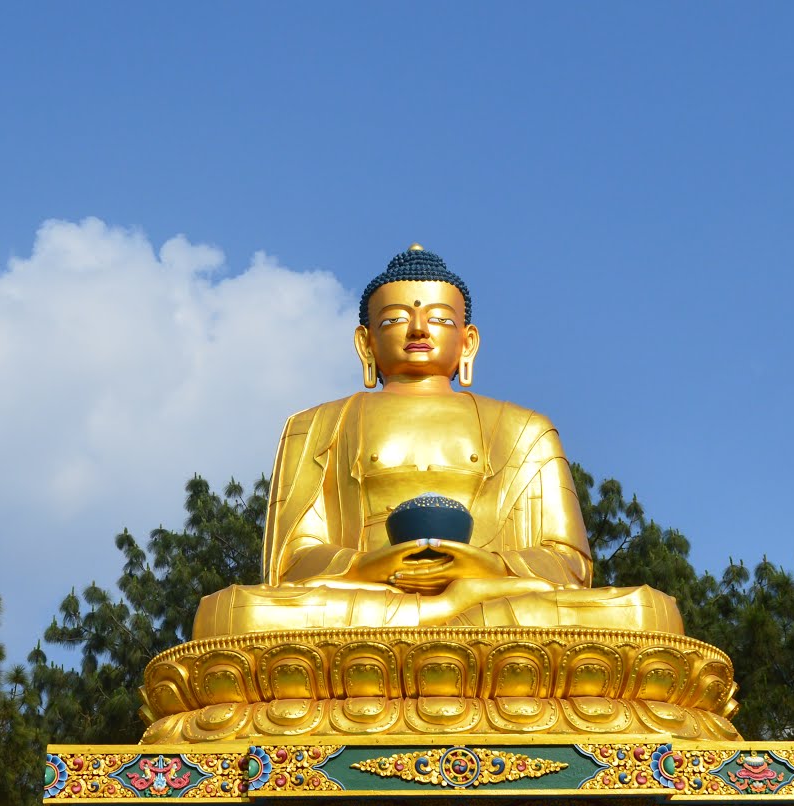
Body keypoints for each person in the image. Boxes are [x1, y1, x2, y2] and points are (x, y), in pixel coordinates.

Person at [192, 246, 684, 637]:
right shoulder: (319, 424)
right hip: (363, 603)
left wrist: (483, 567)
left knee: (644, 612)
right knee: (237, 614)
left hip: (490, 600)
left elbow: (568, 563)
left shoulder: (524, 426)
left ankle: (442, 622)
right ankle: (440, 628)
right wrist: (367, 565)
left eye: (441, 319)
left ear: (468, 341)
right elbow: (290, 563)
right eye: (394, 319)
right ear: (365, 342)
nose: (420, 328)